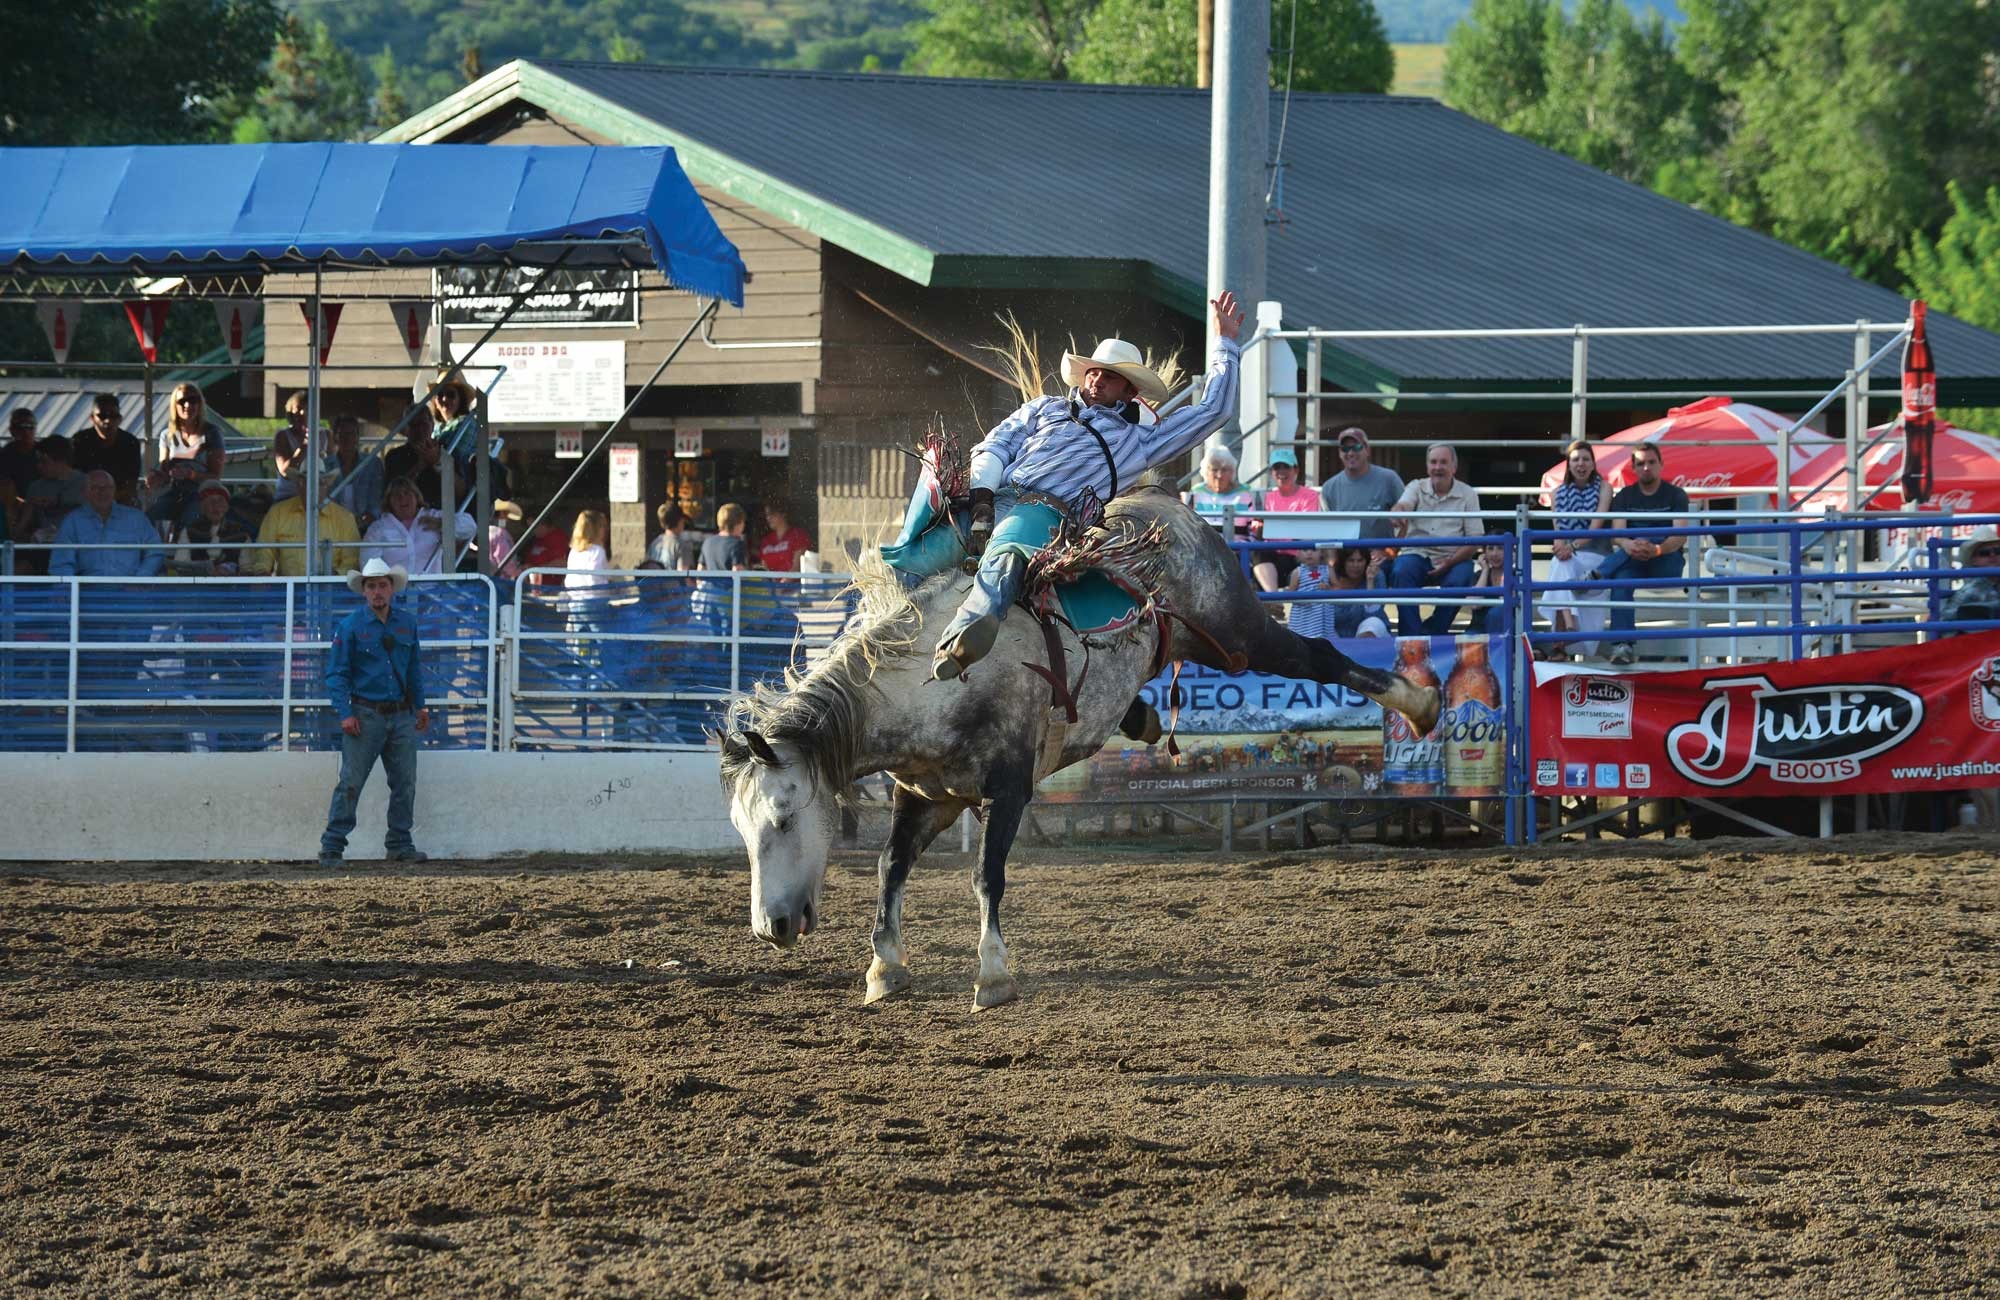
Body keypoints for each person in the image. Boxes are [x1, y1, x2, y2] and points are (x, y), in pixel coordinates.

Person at [933, 290, 1244, 679]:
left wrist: (1225, 345)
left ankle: (967, 633)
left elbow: (1213, 411)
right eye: (1094, 371)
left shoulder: (1139, 443)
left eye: (1110, 376)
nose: (1097, 380)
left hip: (1047, 515)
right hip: (992, 496)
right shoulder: (1044, 407)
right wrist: (980, 497)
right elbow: (997, 443)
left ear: (1130, 391)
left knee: (1009, 552)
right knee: (921, 544)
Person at [319, 556, 430, 867]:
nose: (378, 591)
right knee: (352, 780)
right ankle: (334, 846)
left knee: (403, 781)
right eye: (372, 586)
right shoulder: (351, 626)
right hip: (366, 713)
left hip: (397, 713)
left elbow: (413, 670)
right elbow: (337, 674)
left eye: (382, 585)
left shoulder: (404, 624)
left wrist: (419, 705)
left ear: (391, 588)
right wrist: (345, 712)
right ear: (364, 591)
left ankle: (394, 843)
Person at [1599, 442, 1690, 665]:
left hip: (1666, 561)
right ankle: (1622, 646)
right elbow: (1617, 535)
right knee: (1620, 582)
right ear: (1634, 468)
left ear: (1661, 464)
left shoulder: (1676, 495)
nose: (1646, 467)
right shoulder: (1624, 496)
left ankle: (1600, 573)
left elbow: (1679, 537)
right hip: (1634, 560)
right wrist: (1629, 546)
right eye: (1640, 463)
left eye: (1651, 462)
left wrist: (1656, 548)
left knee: (1655, 536)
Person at [1937, 527, 2000, 828]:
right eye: (1985, 552)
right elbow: (1952, 637)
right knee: (1984, 748)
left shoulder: (1973, 592)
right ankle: (1990, 823)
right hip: (1980, 679)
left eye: (1996, 551)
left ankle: (1989, 823)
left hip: (1980, 679)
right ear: (1973, 560)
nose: (1992, 557)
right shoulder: (1972, 593)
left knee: (1983, 748)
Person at [1387, 443, 1482, 635]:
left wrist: (1450, 562)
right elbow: (1403, 504)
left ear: (1454, 467)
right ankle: (1411, 638)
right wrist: (1398, 512)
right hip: (1417, 554)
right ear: (1427, 466)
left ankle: (1433, 632)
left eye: (1443, 462)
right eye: (1433, 462)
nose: (1438, 467)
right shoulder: (1416, 486)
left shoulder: (1468, 494)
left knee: (1462, 576)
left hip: (1453, 557)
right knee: (1401, 571)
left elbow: (1475, 539)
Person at [1542, 438, 1613, 661]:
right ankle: (1569, 628)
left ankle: (1559, 642)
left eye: (1585, 459)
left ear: (1593, 464)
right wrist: (1560, 547)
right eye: (1575, 460)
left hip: (1596, 556)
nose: (1580, 464)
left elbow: (1595, 529)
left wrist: (1570, 547)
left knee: (1560, 567)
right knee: (1560, 563)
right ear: (1568, 464)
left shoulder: (1604, 488)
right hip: (1569, 558)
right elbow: (1558, 534)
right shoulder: (1557, 494)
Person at [241, 471, 361, 577]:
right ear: (299, 485)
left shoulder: (345, 518)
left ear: (327, 486)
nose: (314, 488)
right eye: (307, 482)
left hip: (331, 591)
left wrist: (334, 576)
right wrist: (262, 571)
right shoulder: (278, 512)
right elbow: (265, 548)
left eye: (320, 483)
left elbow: (352, 560)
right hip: (288, 589)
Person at [49, 470, 164, 577]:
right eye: (95, 488)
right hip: (89, 593)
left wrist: (141, 579)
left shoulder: (136, 518)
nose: (102, 492)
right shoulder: (72, 521)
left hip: (131, 593)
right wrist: (67, 590)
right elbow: (61, 563)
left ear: (114, 490)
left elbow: (155, 551)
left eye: (107, 488)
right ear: (84, 492)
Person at [147, 382, 226, 526]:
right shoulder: (166, 435)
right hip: (174, 493)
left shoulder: (212, 433)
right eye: (182, 401)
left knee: (190, 520)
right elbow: (164, 473)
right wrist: (156, 477)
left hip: (203, 494)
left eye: (193, 400)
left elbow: (216, 476)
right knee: (151, 517)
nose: (188, 405)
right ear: (174, 405)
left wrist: (190, 474)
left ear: (200, 404)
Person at [362, 476, 475, 575]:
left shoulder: (433, 515)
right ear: (389, 501)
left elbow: (470, 526)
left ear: (416, 497)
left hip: (432, 591)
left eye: (407, 493)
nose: (402, 498)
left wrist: (440, 524)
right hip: (395, 594)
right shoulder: (378, 528)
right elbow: (368, 563)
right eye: (396, 495)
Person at [1287, 545, 1388, 641]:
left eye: (1360, 560)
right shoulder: (1327, 575)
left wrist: (1370, 581)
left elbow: (1375, 615)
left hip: (1367, 634)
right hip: (1334, 636)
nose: (1356, 565)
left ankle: (1359, 652)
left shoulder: (1376, 574)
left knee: (1373, 623)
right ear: (1342, 562)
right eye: (1351, 560)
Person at [1318, 427, 1404, 539]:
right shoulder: (1329, 487)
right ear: (1339, 453)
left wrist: (1390, 551)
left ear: (1367, 450)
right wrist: (1333, 557)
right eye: (1345, 449)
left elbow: (1409, 522)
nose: (1350, 453)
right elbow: (1326, 531)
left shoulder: (1389, 479)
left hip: (1380, 553)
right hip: (1344, 553)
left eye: (1356, 447)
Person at [1256, 446, 1320, 591]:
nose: (1281, 472)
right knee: (1257, 553)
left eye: (1286, 467)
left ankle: (1273, 601)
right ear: (1272, 472)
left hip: (1298, 555)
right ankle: (1274, 598)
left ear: (1296, 470)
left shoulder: (1309, 495)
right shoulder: (1268, 497)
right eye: (1277, 467)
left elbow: (1305, 530)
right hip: (1272, 553)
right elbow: (1261, 530)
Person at [72, 394, 144, 503]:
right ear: (92, 418)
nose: (107, 421)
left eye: (113, 416)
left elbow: (131, 482)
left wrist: (109, 500)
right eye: (102, 416)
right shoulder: (79, 440)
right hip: (86, 501)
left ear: (120, 419)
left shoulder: (130, 442)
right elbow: (74, 479)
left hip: (120, 501)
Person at [173, 480, 254, 575]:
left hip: (231, 587)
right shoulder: (189, 531)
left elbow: (247, 569)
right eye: (210, 501)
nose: (216, 506)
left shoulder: (240, 533)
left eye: (220, 500)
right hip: (198, 586)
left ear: (227, 506)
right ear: (202, 507)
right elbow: (181, 565)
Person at [326, 414, 385, 532]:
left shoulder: (373, 463)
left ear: (357, 436)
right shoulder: (325, 466)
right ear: (335, 437)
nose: (347, 438)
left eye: (351, 433)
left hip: (366, 527)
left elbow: (377, 501)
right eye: (342, 433)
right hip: (333, 526)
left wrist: (365, 519)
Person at [382, 407, 444, 507]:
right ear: (405, 429)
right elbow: (392, 493)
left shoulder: (447, 449)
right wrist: (419, 466)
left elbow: (461, 490)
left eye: (423, 424)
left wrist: (437, 463)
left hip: (441, 513)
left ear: (432, 425)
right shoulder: (394, 456)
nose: (419, 429)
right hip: (406, 515)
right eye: (413, 425)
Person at [270, 392, 315, 502]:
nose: (303, 413)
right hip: (288, 496)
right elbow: (285, 471)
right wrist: (305, 446)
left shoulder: (325, 435)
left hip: (316, 497)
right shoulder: (282, 436)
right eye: (298, 409)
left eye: (307, 409)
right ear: (291, 413)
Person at [756, 500, 813, 572]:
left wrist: (782, 582)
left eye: (772, 514)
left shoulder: (798, 535)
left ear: (783, 514)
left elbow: (797, 567)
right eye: (767, 515)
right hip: (770, 583)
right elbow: (764, 569)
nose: (768, 518)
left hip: (792, 583)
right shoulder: (766, 540)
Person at [566, 509, 611, 589]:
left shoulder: (574, 551)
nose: (605, 530)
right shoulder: (598, 551)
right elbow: (595, 580)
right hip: (595, 599)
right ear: (595, 529)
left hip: (575, 597)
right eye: (602, 526)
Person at [0, 407, 38, 500]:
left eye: (30, 426)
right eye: (21, 427)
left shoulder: (45, 453)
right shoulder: (5, 455)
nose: (26, 431)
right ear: (11, 430)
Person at [699, 502, 749, 572]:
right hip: (729, 583)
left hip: (710, 583)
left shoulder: (707, 543)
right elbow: (738, 572)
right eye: (743, 522)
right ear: (738, 523)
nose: (744, 526)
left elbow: (700, 571)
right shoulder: (737, 544)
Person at [488, 499, 526, 581]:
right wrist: (520, 572)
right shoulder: (500, 533)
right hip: (500, 583)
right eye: (507, 514)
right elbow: (506, 561)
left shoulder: (481, 531)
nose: (507, 519)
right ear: (502, 513)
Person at [648, 503, 690, 569]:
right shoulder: (681, 545)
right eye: (683, 520)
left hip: (654, 579)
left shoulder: (655, 543)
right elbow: (683, 574)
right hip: (672, 579)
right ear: (679, 521)